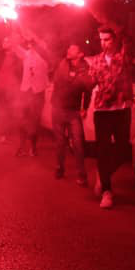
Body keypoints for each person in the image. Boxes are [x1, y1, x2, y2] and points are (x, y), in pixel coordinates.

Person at [86, 25, 133, 209]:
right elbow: (90, 84)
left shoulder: (123, 58)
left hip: (121, 109)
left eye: (107, 39)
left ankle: (103, 173)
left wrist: (113, 24)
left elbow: (128, 40)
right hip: (102, 111)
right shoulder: (96, 61)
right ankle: (107, 191)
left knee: (122, 150)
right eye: (101, 40)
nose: (104, 43)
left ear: (114, 40)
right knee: (103, 151)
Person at [51, 44, 91, 185]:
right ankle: (60, 168)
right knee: (60, 142)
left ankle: (81, 174)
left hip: (73, 112)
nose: (68, 50)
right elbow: (56, 82)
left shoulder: (85, 69)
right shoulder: (62, 64)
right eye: (68, 48)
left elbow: (88, 90)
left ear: (80, 54)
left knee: (78, 144)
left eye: (72, 49)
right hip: (58, 109)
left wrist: (84, 107)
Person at [14, 29, 50, 157]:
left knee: (35, 121)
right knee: (22, 120)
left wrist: (32, 38)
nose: (30, 45)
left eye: (32, 43)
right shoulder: (27, 54)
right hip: (25, 91)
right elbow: (15, 47)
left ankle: (33, 147)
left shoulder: (44, 55)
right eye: (29, 44)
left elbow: (40, 47)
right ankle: (22, 146)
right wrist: (13, 30)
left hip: (38, 92)